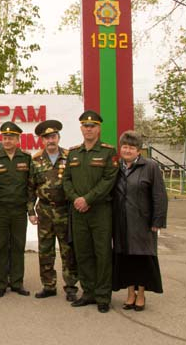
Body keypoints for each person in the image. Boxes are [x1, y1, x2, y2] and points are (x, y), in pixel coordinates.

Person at [62, 110, 118, 313]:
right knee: (83, 252)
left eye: (92, 126)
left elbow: (109, 180)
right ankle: (88, 292)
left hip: (100, 211)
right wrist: (76, 199)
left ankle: (103, 296)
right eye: (85, 126)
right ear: (81, 128)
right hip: (78, 211)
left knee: (102, 254)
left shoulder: (108, 152)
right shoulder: (73, 153)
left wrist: (88, 199)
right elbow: (66, 180)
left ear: (98, 129)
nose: (88, 129)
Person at [112, 130, 167, 311]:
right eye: (124, 146)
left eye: (131, 147)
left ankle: (141, 294)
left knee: (142, 259)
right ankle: (130, 293)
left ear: (138, 150)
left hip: (143, 223)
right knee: (126, 258)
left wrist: (157, 221)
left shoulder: (150, 167)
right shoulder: (116, 167)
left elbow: (159, 195)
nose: (127, 150)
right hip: (122, 222)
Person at [28, 120, 78, 301]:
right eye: (47, 138)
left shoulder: (69, 156)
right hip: (45, 212)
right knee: (45, 251)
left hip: (65, 211)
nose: (50, 140)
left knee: (68, 250)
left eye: (53, 136)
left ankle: (71, 286)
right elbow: (30, 188)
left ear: (58, 138)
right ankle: (48, 285)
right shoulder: (35, 160)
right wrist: (31, 212)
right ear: (42, 140)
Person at [0, 122, 31, 297]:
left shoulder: (26, 158)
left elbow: (30, 185)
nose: (7, 141)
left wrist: (30, 209)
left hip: (19, 210)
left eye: (11, 138)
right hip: (0, 209)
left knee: (18, 246)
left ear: (18, 139)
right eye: (5, 138)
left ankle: (16, 282)